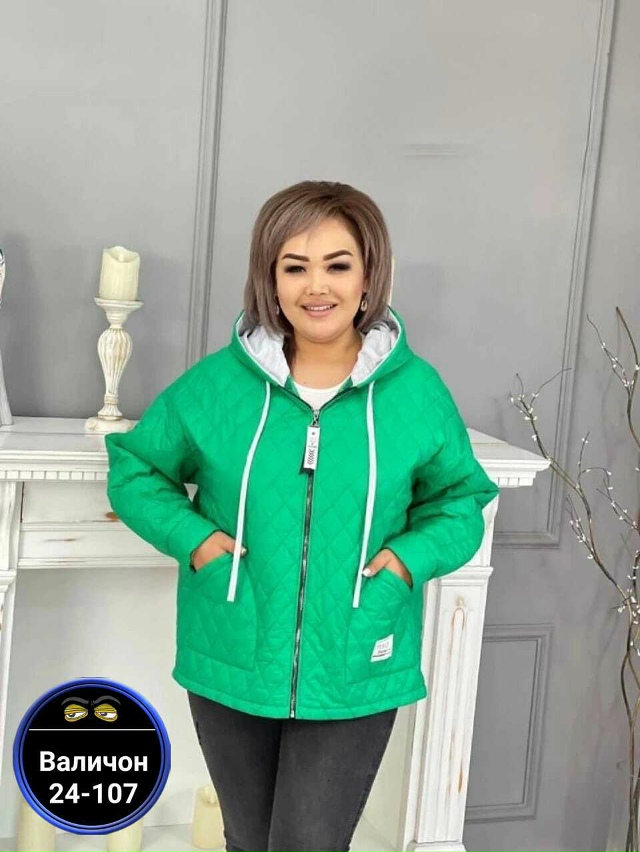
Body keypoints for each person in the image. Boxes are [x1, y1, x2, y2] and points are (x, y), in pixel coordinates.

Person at [104, 180, 500, 851]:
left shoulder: (416, 393)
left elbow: (461, 501)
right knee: (246, 841)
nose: (317, 286)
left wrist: (406, 562)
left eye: (337, 265)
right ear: (271, 279)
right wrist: (197, 541)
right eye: (295, 267)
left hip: (355, 656)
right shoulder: (220, 385)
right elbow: (135, 468)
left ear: (369, 277)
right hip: (231, 649)